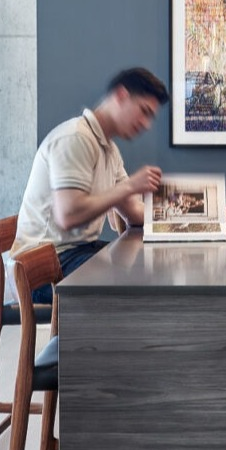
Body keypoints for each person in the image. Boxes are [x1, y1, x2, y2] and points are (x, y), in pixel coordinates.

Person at [13, 67, 171, 299]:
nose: (146, 124)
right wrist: (129, 186)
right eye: (144, 111)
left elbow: (134, 213)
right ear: (121, 96)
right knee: (134, 284)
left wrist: (204, 217)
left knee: (146, 268)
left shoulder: (109, 149)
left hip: (76, 253)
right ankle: (71, 337)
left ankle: (92, 335)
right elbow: (68, 216)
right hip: (43, 267)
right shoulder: (75, 138)